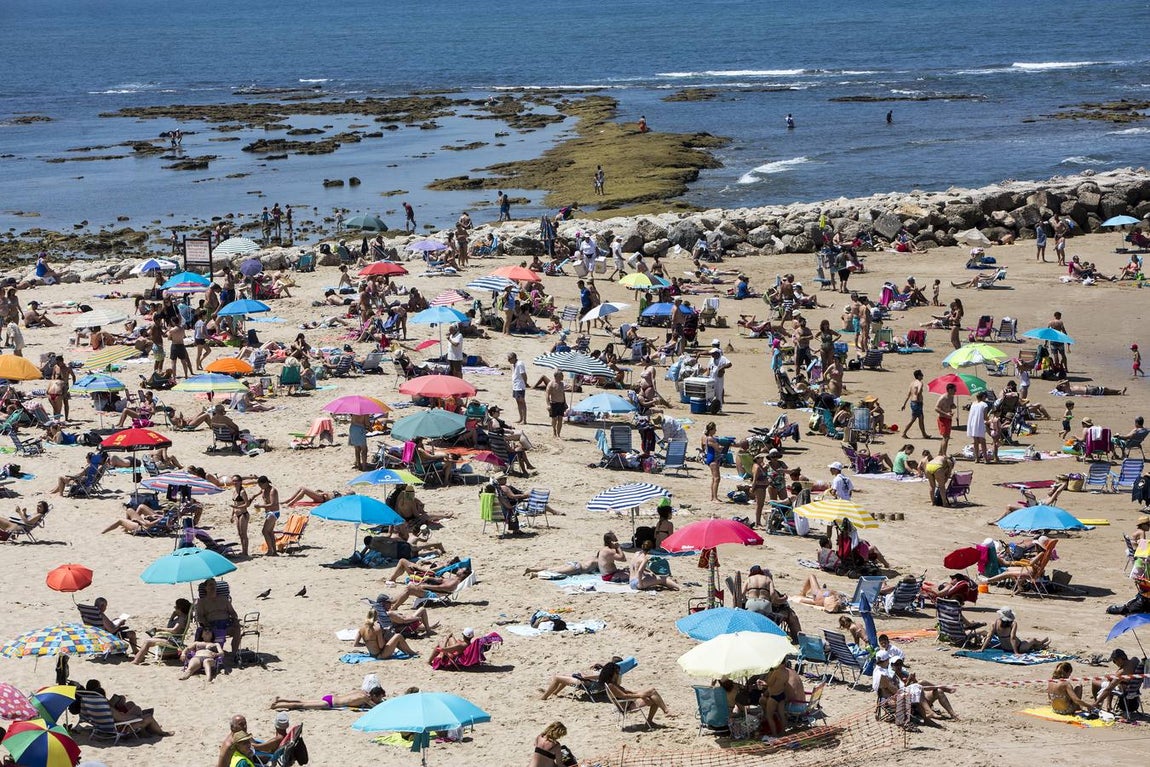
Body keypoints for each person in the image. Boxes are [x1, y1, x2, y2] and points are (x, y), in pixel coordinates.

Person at [525, 532, 627, 580]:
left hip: (575, 563)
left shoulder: (598, 554)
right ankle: (535, 575)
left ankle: (532, 569)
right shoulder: (599, 561)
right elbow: (621, 559)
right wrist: (618, 547)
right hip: (577, 568)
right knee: (555, 572)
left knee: (551, 568)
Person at [598, 661, 672, 726]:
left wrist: (640, 693)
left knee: (653, 695)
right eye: (617, 672)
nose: (618, 674)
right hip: (628, 705)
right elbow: (624, 696)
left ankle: (655, 718)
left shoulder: (611, 684)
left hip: (628, 702)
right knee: (653, 694)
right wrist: (640, 695)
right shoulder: (611, 686)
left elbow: (627, 692)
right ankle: (665, 712)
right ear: (612, 673)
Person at [132, 598, 192, 664]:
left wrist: (159, 629)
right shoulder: (181, 617)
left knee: (147, 642)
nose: (174, 608)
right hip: (172, 638)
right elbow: (169, 626)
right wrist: (172, 617)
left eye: (175, 607)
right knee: (149, 640)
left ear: (179, 609)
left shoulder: (181, 619)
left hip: (173, 641)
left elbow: (174, 630)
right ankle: (140, 657)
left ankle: (136, 661)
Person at [195, 579, 241, 655]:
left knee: (237, 629)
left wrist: (235, 619)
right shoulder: (202, 602)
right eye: (210, 585)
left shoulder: (223, 599)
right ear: (205, 588)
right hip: (212, 625)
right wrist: (206, 624)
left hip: (226, 624)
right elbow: (199, 616)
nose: (212, 586)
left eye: (214, 584)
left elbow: (232, 612)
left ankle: (234, 653)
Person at [980, 608, 1049, 653]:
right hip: (1019, 647)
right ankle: (1041, 643)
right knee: (1033, 640)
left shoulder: (994, 623)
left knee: (1027, 641)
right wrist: (1016, 652)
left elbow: (989, 637)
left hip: (1005, 648)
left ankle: (1040, 645)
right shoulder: (1013, 623)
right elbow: (1012, 638)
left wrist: (982, 649)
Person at [270, 687, 385, 711]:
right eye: (379, 698)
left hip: (330, 697)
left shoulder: (362, 692)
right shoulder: (365, 697)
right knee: (302, 705)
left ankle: (280, 699)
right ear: (374, 695)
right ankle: (277, 706)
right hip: (330, 703)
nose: (379, 700)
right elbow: (376, 707)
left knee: (302, 701)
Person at [253, 476, 280, 557]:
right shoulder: (264, 489)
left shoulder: (273, 491)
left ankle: (270, 550)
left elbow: (273, 504)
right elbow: (258, 493)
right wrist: (252, 497)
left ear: (265, 483)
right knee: (270, 532)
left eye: (261, 485)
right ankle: (274, 551)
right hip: (269, 513)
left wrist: (260, 506)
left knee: (264, 531)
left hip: (273, 512)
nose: (261, 487)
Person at [901, 369, 929, 439]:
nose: (923, 376)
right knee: (913, 419)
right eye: (921, 374)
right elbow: (918, 391)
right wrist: (919, 395)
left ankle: (924, 434)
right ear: (919, 376)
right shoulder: (920, 383)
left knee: (921, 419)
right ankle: (904, 433)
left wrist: (904, 404)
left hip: (913, 402)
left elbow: (908, 395)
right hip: (917, 403)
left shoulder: (912, 383)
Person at [702, 422, 725, 503]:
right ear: (711, 430)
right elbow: (717, 448)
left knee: (714, 478)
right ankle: (715, 498)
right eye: (714, 429)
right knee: (717, 478)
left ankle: (713, 497)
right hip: (713, 459)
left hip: (712, 458)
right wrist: (722, 447)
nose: (716, 430)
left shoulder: (708, 438)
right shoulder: (710, 438)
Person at [967, 391, 990, 463]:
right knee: (983, 441)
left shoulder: (973, 403)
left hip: (973, 423)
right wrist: (989, 420)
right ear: (983, 397)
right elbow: (985, 417)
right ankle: (985, 458)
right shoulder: (984, 405)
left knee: (975, 441)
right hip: (979, 424)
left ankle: (977, 458)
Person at [935, 383, 957, 456]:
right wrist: (945, 414)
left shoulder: (951, 396)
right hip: (942, 418)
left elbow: (950, 405)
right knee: (945, 437)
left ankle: (940, 453)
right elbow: (936, 408)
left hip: (948, 418)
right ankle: (943, 454)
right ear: (949, 390)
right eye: (954, 389)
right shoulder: (943, 397)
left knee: (947, 437)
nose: (955, 391)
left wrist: (953, 406)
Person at [508, 352, 528, 424]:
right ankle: (521, 418)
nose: (508, 360)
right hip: (515, 385)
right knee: (518, 402)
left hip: (520, 385)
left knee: (522, 402)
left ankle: (524, 420)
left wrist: (525, 383)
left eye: (509, 359)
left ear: (514, 358)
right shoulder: (514, 365)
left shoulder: (520, 364)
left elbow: (524, 374)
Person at [546, 371, 567, 438]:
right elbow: (547, 395)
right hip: (554, 403)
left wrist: (565, 403)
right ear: (557, 376)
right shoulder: (551, 384)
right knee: (554, 419)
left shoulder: (562, 384)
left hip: (561, 403)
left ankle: (558, 434)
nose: (562, 377)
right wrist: (548, 404)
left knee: (560, 419)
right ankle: (554, 431)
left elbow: (563, 394)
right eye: (561, 376)